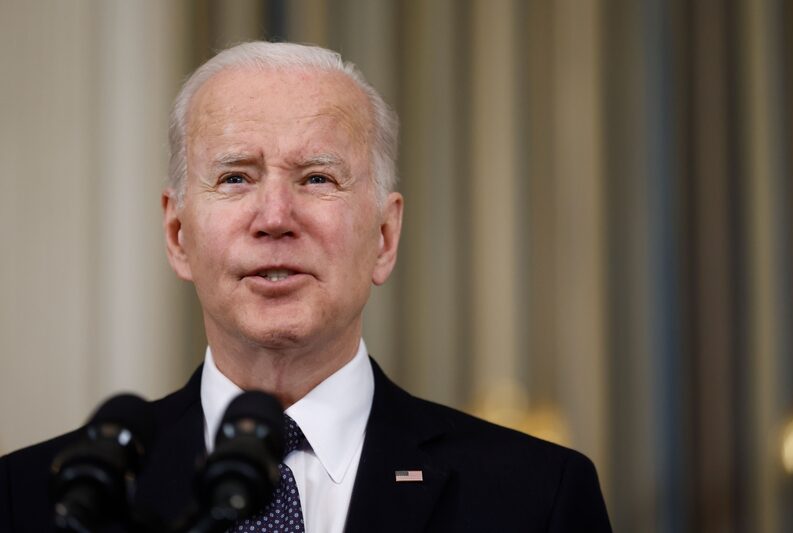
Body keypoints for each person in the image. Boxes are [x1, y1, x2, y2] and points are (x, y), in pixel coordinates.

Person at [0, 41, 612, 532]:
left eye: (317, 178)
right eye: (236, 177)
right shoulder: (29, 500)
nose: (274, 217)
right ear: (177, 233)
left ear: (384, 236)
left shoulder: (535, 497)